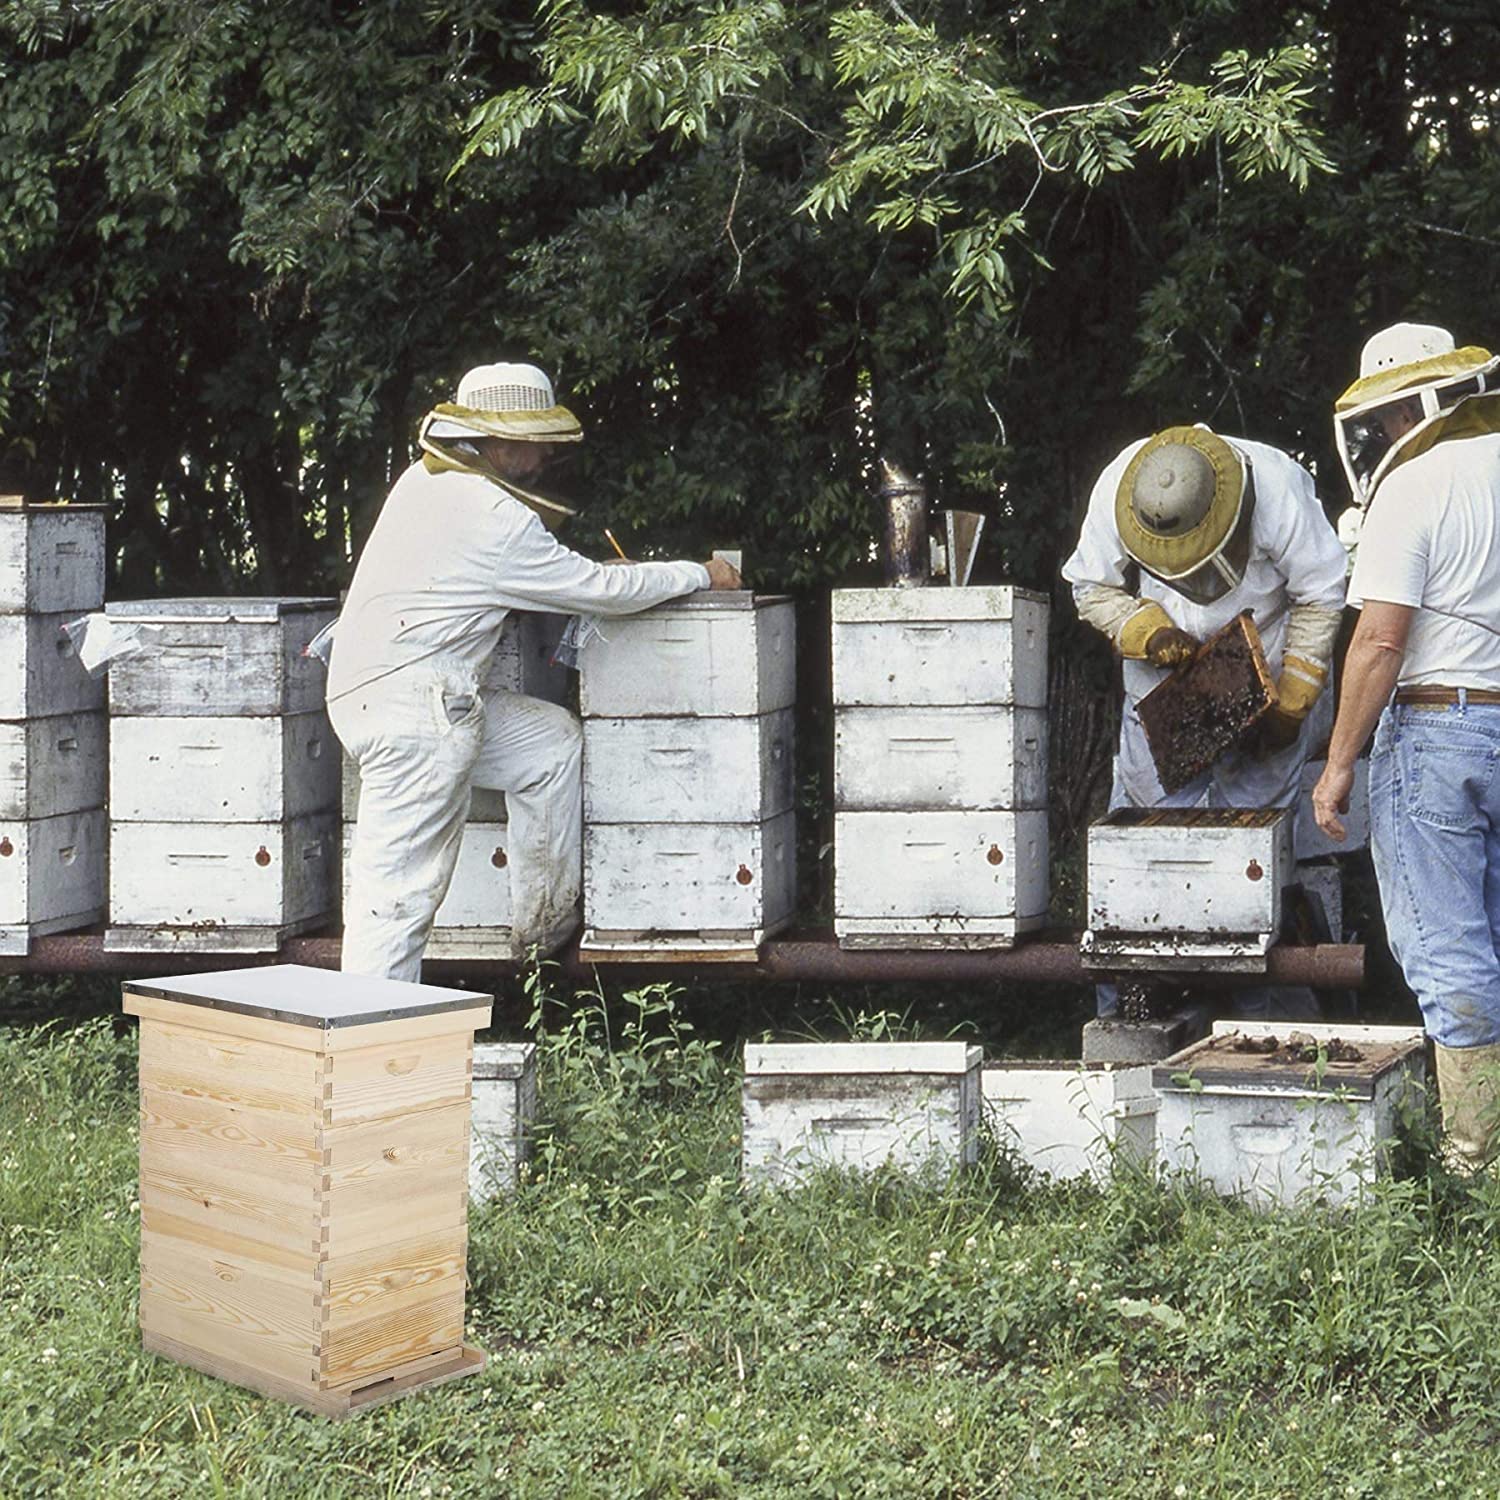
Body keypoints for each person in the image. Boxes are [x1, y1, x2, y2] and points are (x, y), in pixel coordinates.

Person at [327, 361, 739, 981]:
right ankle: (372, 1050)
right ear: (504, 440)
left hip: (400, 695)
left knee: (548, 745)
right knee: (397, 897)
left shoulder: (423, 482)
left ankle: (541, 932)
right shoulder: (492, 516)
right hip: (418, 712)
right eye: (537, 443)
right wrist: (699, 573)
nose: (545, 458)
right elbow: (599, 589)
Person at [1063, 424, 1347, 1015]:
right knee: (1146, 850)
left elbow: (1322, 592)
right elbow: (1089, 587)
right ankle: (1136, 1005)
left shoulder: (1276, 486)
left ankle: (1261, 1014)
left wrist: (1294, 696)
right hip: (1162, 692)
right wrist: (1145, 629)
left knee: (1254, 858)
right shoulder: (1122, 484)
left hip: (1261, 683)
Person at [1312, 322, 1500, 1173]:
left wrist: (1341, 759)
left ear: (1404, 410)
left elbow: (1381, 640)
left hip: (1439, 729)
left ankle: (1477, 1161)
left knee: (1450, 947)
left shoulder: (1413, 484)